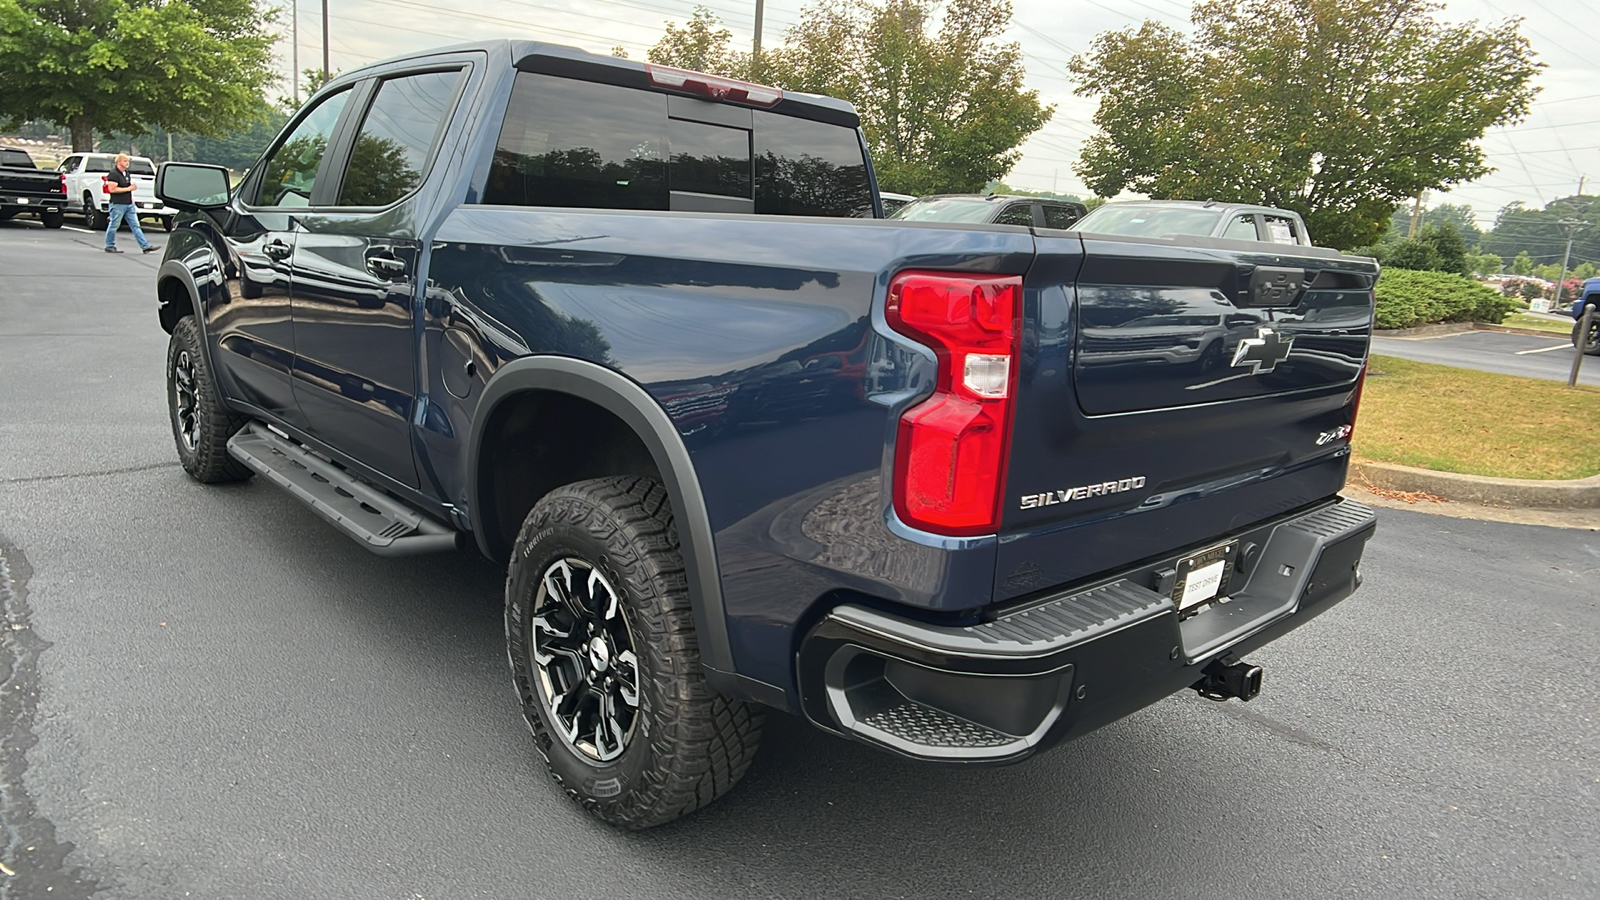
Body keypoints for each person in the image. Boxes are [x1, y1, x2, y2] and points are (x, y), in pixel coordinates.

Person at [103, 153, 158, 255]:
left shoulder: (127, 173)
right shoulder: (113, 174)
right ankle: (109, 245)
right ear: (119, 162)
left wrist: (131, 198)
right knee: (114, 225)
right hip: (117, 204)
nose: (127, 163)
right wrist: (129, 188)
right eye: (125, 161)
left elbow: (127, 188)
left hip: (128, 204)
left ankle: (145, 246)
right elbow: (112, 189)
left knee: (135, 225)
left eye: (128, 161)